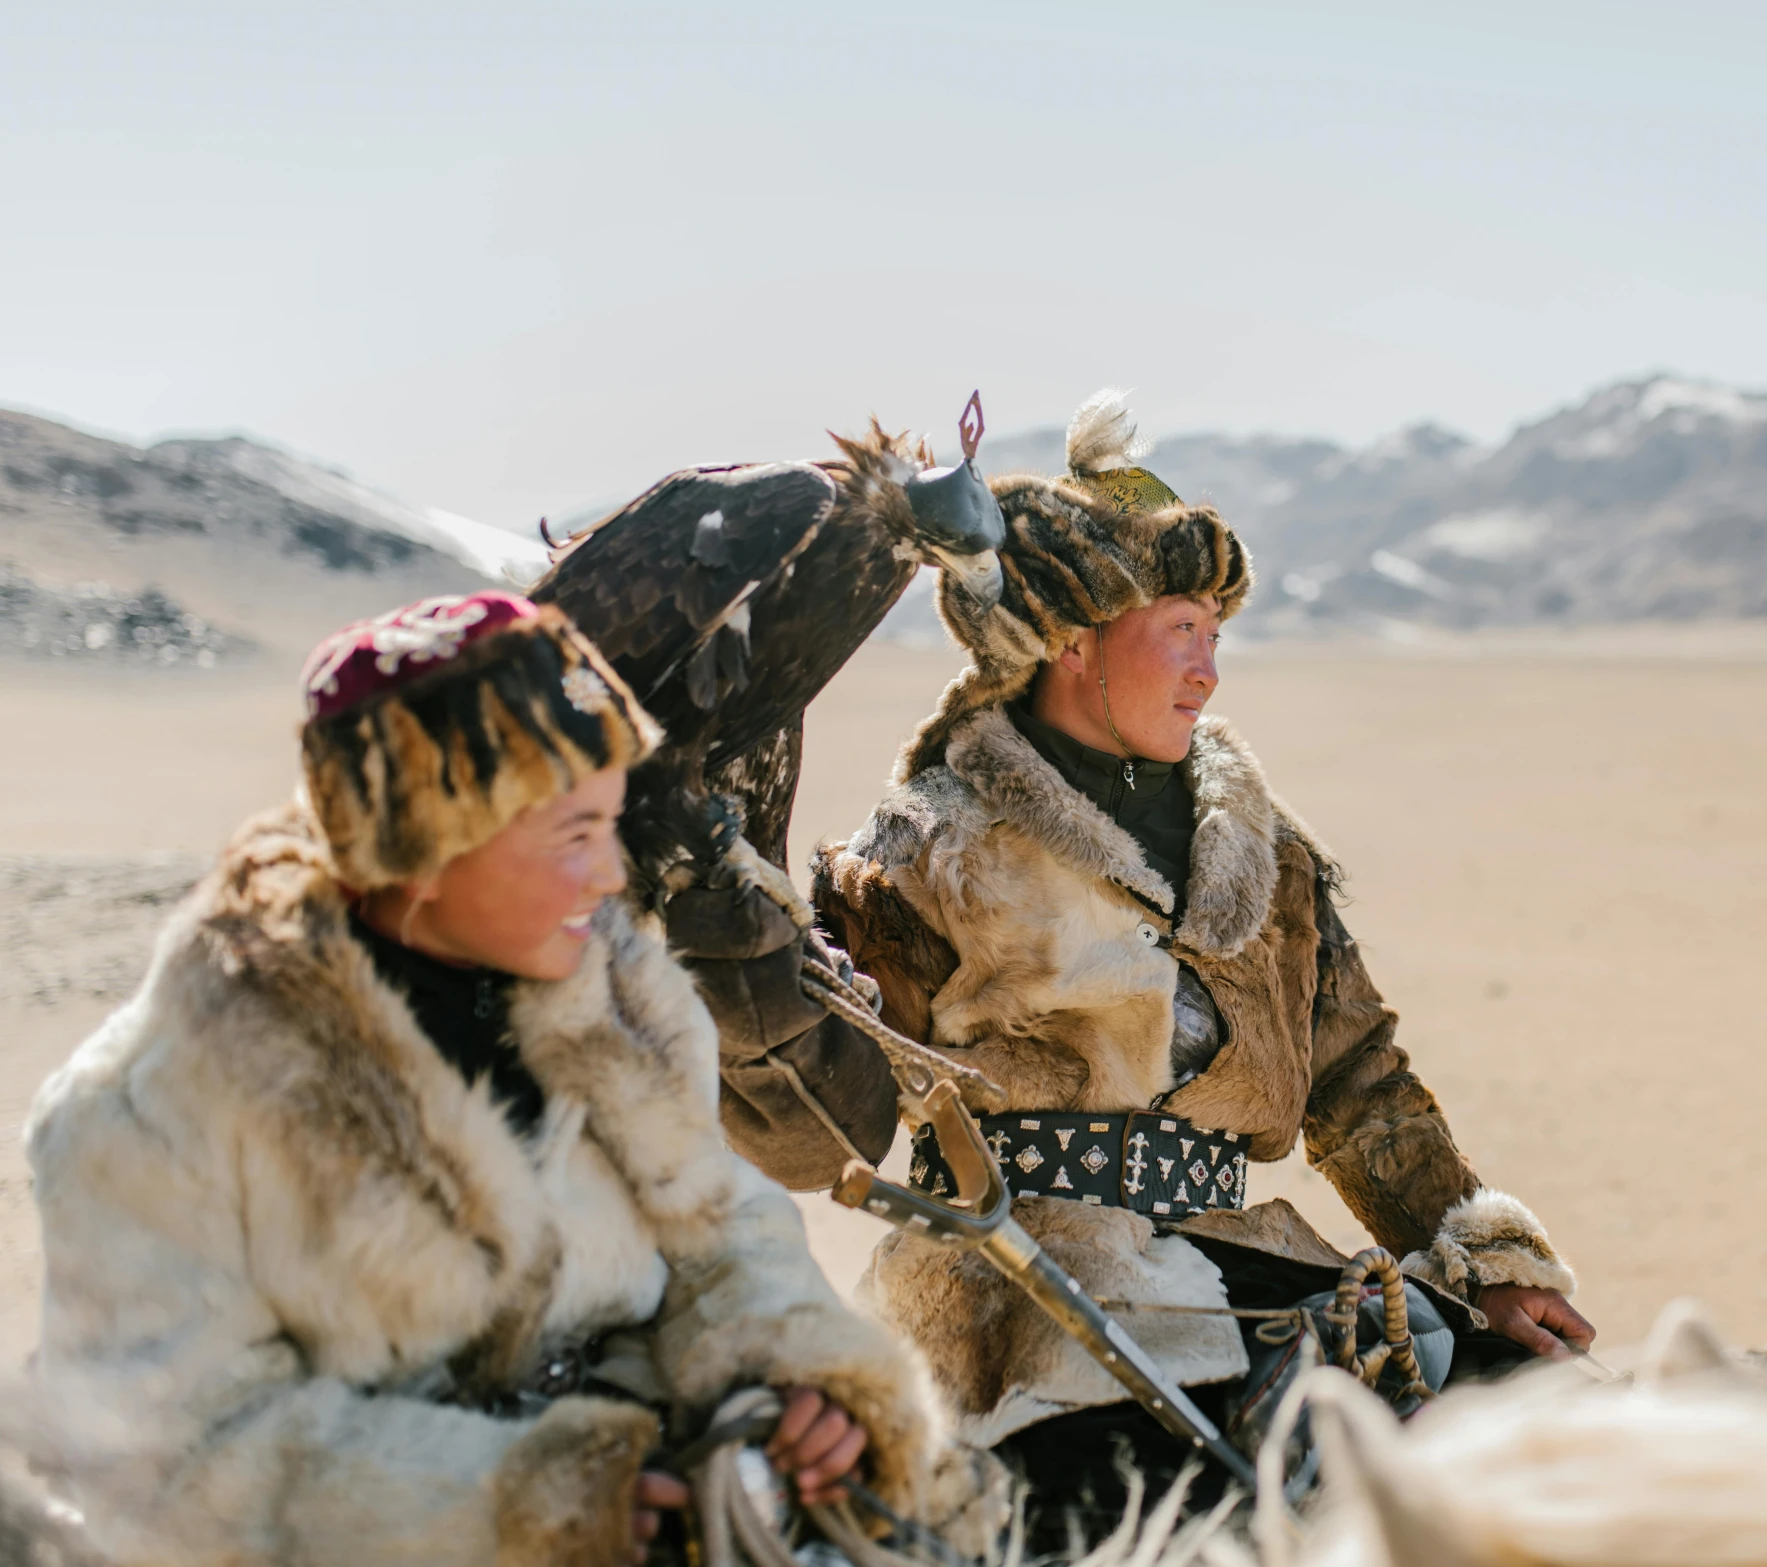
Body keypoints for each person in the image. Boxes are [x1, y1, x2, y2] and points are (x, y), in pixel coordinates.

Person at [717, 394, 1591, 1518]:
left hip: (1247, 1267)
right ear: (1071, 639)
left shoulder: (1269, 859)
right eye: (1179, 628)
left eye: (1214, 634)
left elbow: (1356, 1079)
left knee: (1538, 1430)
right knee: (1153, 1514)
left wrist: (1478, 1256)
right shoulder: (921, 852)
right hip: (1022, 1296)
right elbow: (817, 1117)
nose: (1206, 669)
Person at [27, 592, 983, 1567]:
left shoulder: (618, 997)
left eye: (611, 825)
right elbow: (175, 1463)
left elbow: (721, 1229)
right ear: (420, 845)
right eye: (571, 835)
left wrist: (799, 1377)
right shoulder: (151, 1110)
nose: (609, 876)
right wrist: (520, 1501)